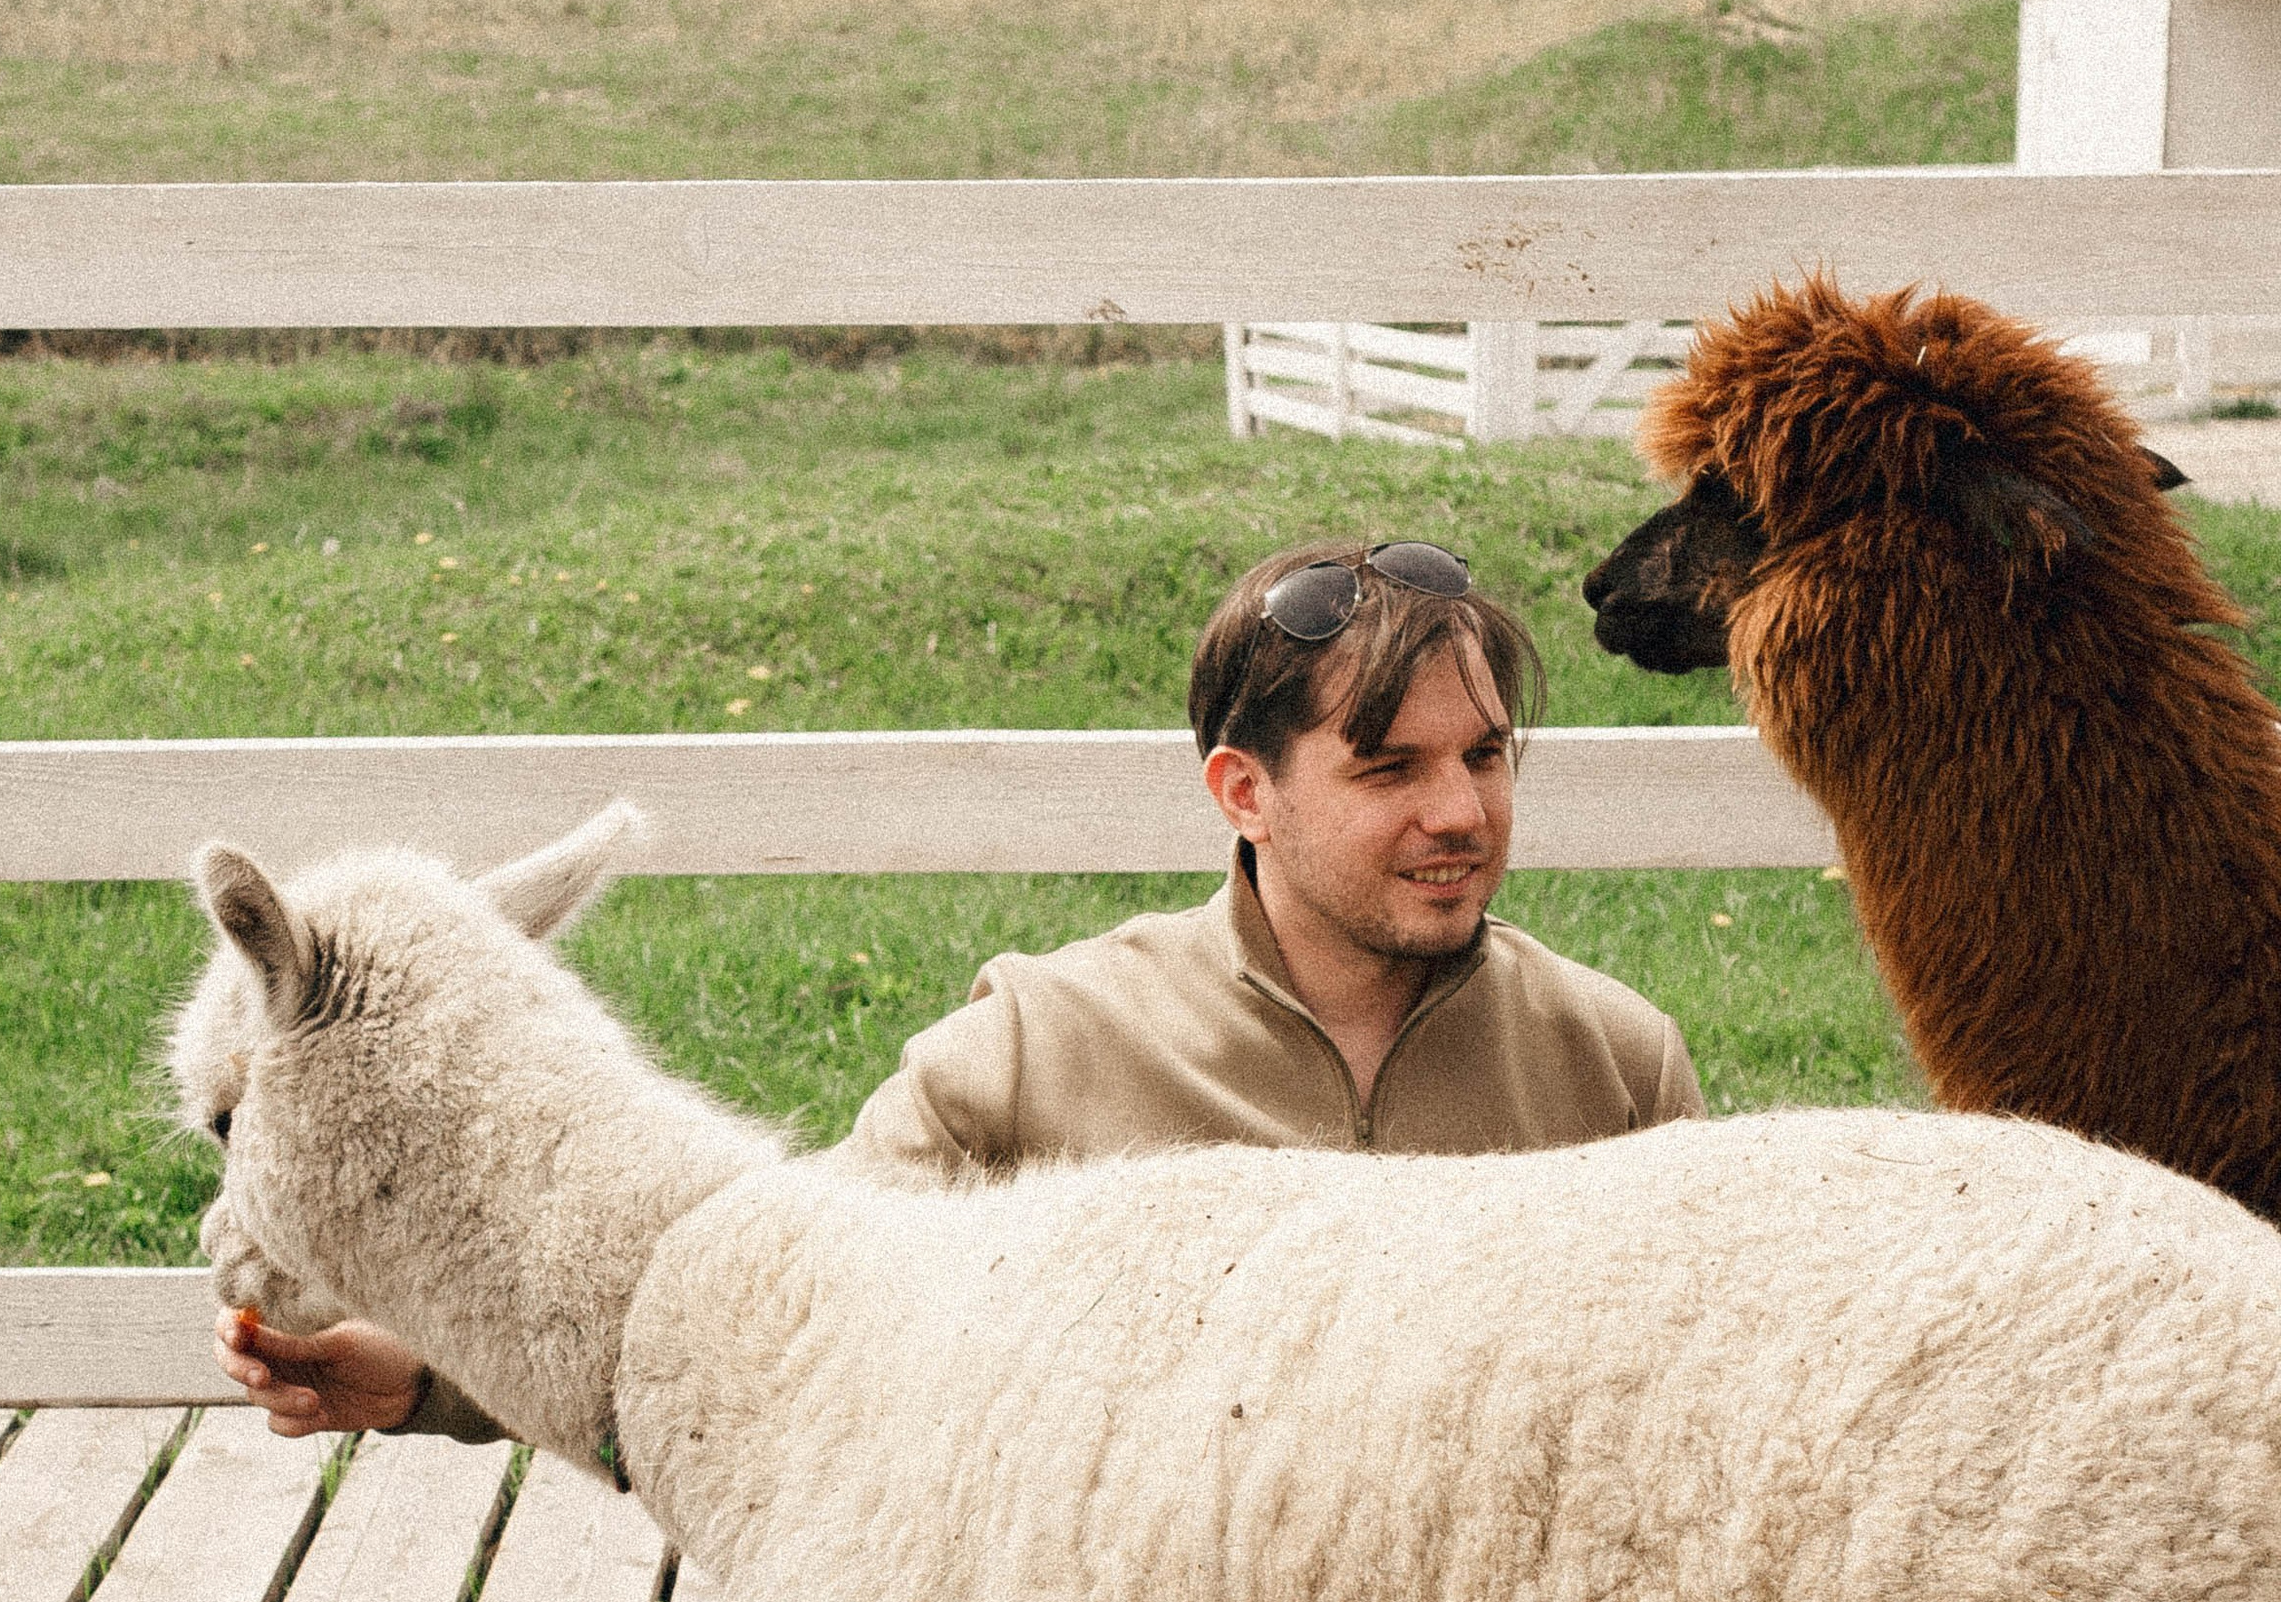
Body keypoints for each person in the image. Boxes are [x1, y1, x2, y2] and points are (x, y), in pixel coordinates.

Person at [216, 534, 1701, 1441]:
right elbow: (768, 1333)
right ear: (1242, 790)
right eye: (1392, 769)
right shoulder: (1041, 1049)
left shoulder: (1615, 1071)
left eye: (1486, 757)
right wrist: (425, 1386)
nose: (1463, 813)